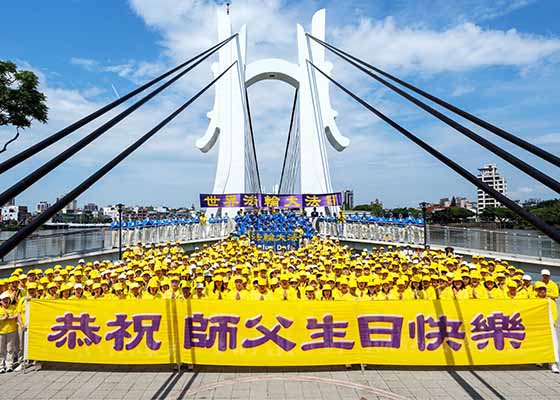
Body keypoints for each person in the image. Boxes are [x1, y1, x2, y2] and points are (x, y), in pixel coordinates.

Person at [0, 291, 22, 373]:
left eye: (7, 299)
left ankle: (9, 365)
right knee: (1, 349)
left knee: (10, 349)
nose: (6, 301)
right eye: (4, 299)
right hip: (1, 332)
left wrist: (10, 318)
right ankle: (1, 366)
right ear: (1, 301)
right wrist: (3, 318)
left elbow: (18, 315)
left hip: (11, 331)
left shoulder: (13, 307)